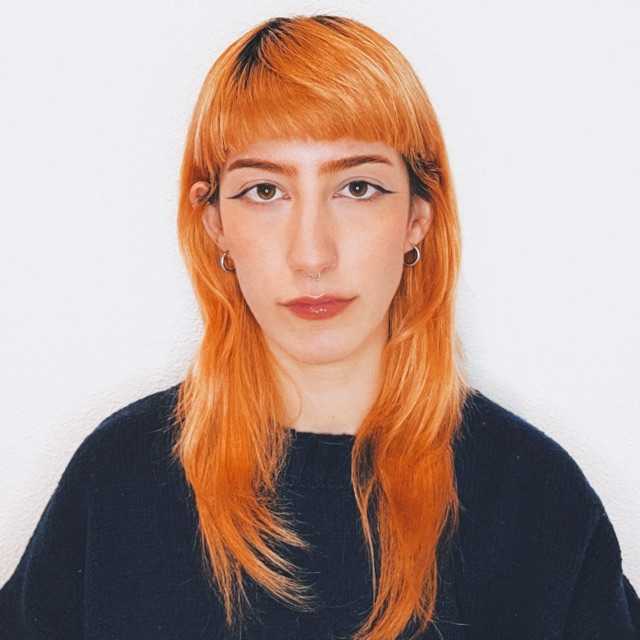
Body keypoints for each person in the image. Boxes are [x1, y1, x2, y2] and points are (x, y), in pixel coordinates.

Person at [1, 13, 638, 640]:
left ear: (418, 217)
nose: (311, 254)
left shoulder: (538, 501)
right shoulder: (116, 481)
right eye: (264, 192)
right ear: (215, 225)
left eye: (357, 188)